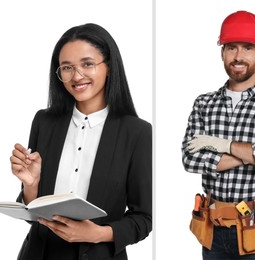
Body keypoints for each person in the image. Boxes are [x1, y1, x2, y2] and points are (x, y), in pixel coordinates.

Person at [8, 23, 152, 260]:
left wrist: (98, 234)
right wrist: (31, 184)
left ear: (109, 67)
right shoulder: (44, 121)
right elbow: (32, 214)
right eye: (67, 68)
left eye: (87, 64)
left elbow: (144, 218)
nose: (76, 76)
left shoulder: (136, 132)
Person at [182, 10, 255, 259]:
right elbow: (190, 159)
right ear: (222, 52)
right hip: (214, 232)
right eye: (231, 48)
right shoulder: (204, 104)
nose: (238, 56)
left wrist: (218, 145)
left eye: (247, 48)